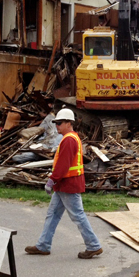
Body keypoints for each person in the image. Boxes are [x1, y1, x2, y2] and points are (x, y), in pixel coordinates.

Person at [25, 108, 103, 259]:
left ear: (69, 123)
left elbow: (63, 165)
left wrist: (52, 180)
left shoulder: (68, 140)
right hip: (65, 184)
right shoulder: (72, 138)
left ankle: (93, 245)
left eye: (59, 123)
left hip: (67, 184)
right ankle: (43, 245)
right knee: (53, 214)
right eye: (56, 123)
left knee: (77, 215)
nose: (57, 126)